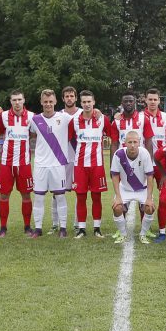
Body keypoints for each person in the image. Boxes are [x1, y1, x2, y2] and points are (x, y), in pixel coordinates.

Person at [29, 89, 76, 238]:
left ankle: (63, 228)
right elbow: (30, 133)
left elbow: (85, 115)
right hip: (40, 165)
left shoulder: (65, 117)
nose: (48, 104)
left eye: (51, 101)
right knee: (39, 197)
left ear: (55, 102)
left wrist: (98, 112)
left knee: (60, 196)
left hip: (58, 164)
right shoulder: (34, 119)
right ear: (41, 102)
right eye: (45, 102)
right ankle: (38, 228)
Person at [68, 90, 110, 238]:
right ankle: (81, 229)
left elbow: (112, 133)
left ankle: (97, 228)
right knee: (80, 197)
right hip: (79, 166)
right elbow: (68, 139)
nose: (86, 104)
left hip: (97, 165)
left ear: (94, 102)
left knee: (96, 197)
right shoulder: (74, 120)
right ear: (81, 103)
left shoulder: (102, 119)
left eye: (89, 101)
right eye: (84, 102)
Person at [0, 90, 34, 236]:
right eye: (14, 100)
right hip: (6, 163)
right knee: (4, 195)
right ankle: (3, 227)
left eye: (19, 99)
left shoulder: (31, 116)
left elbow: (33, 133)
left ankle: (27, 226)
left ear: (24, 100)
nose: (17, 103)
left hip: (24, 163)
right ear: (10, 101)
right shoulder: (3, 116)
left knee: (26, 195)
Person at [109, 131, 157, 244]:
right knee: (117, 207)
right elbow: (115, 176)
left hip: (142, 189)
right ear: (124, 143)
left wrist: (149, 198)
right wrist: (118, 196)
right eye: (129, 142)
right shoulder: (118, 154)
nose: (132, 145)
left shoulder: (144, 153)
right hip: (125, 189)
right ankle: (123, 234)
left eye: (135, 142)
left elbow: (150, 176)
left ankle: (143, 234)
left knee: (150, 208)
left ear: (139, 142)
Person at [142, 88, 166, 229]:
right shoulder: (140, 116)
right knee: (145, 193)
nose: (152, 102)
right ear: (145, 100)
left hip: (162, 163)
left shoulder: (165, 117)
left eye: (155, 99)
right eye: (150, 99)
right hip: (145, 162)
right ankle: (146, 224)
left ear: (159, 100)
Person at [54, 86, 82, 233]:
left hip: (79, 158)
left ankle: (78, 223)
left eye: (72, 96)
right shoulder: (57, 115)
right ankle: (55, 223)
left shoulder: (84, 113)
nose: (69, 98)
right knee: (57, 192)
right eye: (67, 96)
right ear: (63, 99)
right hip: (62, 159)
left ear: (76, 98)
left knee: (80, 191)